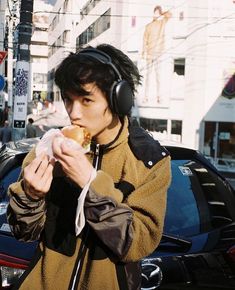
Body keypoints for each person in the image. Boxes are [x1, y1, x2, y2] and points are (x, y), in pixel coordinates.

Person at [7, 44, 171, 290]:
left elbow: (136, 243)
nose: (74, 113)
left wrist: (91, 184)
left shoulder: (149, 161)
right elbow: (24, 233)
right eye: (68, 99)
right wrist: (30, 196)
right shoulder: (50, 147)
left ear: (119, 99)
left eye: (86, 100)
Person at [142, 5, 172, 103]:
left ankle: (159, 97)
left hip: (158, 53)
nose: (156, 14)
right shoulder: (148, 26)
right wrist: (143, 52)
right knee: (148, 77)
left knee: (158, 76)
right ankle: (145, 97)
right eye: (155, 12)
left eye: (157, 13)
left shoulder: (162, 23)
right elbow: (144, 40)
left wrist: (162, 13)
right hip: (150, 54)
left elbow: (170, 15)